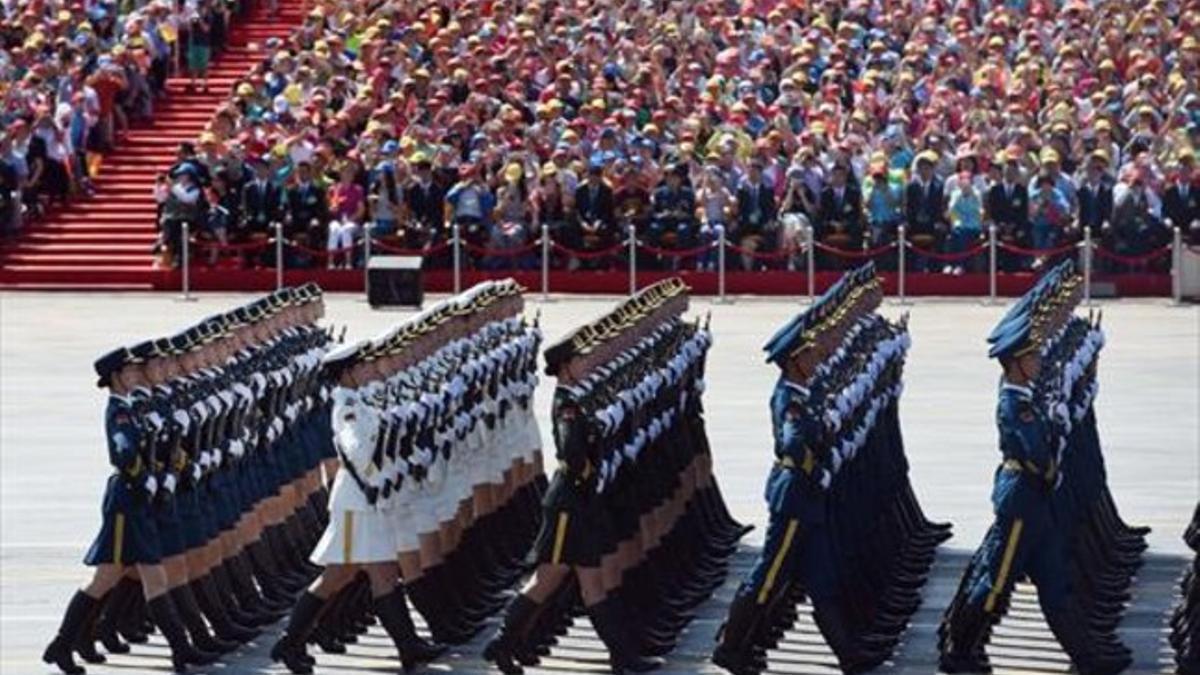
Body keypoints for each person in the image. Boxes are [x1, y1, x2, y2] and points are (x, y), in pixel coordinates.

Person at [938, 271, 1131, 675]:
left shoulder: (1028, 397)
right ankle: (960, 651)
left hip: (1037, 500)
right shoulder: (1015, 404)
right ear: (1016, 364)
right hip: (1022, 500)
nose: (1039, 359)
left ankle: (1087, 658)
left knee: (1055, 582)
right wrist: (1056, 438)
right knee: (996, 583)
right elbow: (1037, 452)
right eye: (1032, 356)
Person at [271, 342, 446, 674]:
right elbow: (354, 448)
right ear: (348, 373)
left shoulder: (359, 400)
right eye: (362, 367)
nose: (369, 371)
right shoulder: (347, 406)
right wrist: (376, 470)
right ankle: (292, 642)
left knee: (364, 575)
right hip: (357, 503)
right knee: (351, 575)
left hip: (369, 502)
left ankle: (406, 647)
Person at [43, 348, 219, 675]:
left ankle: (62, 645)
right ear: (116, 378)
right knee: (135, 576)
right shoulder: (118, 411)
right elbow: (124, 452)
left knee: (113, 577)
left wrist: (169, 469)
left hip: (140, 500)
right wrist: (144, 475)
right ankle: (180, 651)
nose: (136, 374)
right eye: (129, 371)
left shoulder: (135, 407)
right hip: (127, 501)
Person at [325, 161, 365, 269]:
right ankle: (331, 262)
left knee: (346, 230)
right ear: (340, 174)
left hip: (352, 221)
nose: (347, 174)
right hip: (337, 220)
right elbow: (330, 207)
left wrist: (350, 219)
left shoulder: (358, 190)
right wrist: (332, 209)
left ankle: (348, 262)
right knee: (334, 229)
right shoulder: (333, 189)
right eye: (345, 172)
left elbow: (361, 210)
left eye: (350, 172)